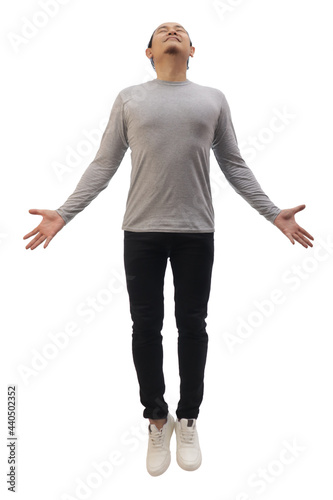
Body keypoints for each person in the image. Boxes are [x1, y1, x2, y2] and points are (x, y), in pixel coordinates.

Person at [23, 22, 314, 476]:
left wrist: (272, 212)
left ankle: (190, 416)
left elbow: (233, 162)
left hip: (197, 231)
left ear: (193, 48)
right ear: (149, 52)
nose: (172, 30)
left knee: (192, 326)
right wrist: (65, 212)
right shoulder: (130, 99)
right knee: (146, 326)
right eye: (162, 31)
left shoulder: (213, 98)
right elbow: (105, 161)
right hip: (141, 231)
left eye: (180, 30)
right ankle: (157, 419)